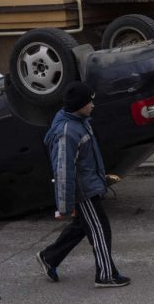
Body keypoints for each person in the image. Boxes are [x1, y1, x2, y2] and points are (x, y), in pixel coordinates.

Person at [35, 81, 130, 288]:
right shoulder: (67, 132)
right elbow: (63, 170)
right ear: (79, 104)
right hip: (83, 191)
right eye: (90, 102)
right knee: (100, 229)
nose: (93, 105)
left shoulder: (79, 120)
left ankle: (49, 257)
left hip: (88, 185)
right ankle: (105, 274)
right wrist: (64, 206)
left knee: (82, 227)